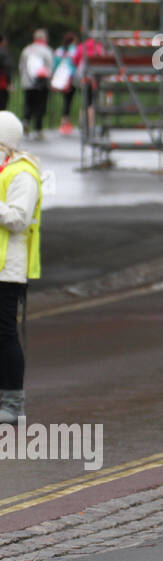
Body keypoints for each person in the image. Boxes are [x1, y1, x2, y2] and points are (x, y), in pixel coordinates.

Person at [0, 111, 42, 425]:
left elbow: (18, 218)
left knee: (5, 335)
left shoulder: (23, 174)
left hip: (8, 269)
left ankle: (13, 405)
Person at [17, 30, 54, 140]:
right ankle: (38, 129)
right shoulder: (47, 50)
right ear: (44, 38)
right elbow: (50, 68)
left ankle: (26, 122)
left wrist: (24, 79)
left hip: (27, 82)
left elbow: (21, 66)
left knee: (28, 104)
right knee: (40, 106)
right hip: (41, 84)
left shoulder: (27, 50)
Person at [52, 32, 79, 136]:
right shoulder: (74, 50)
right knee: (69, 101)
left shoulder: (59, 50)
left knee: (65, 101)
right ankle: (65, 121)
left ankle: (63, 121)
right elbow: (75, 64)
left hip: (60, 78)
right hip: (70, 79)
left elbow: (55, 64)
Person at [0, 33, 11, 112]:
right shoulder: (3, 51)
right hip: (2, 84)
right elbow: (7, 68)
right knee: (2, 109)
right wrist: (9, 83)